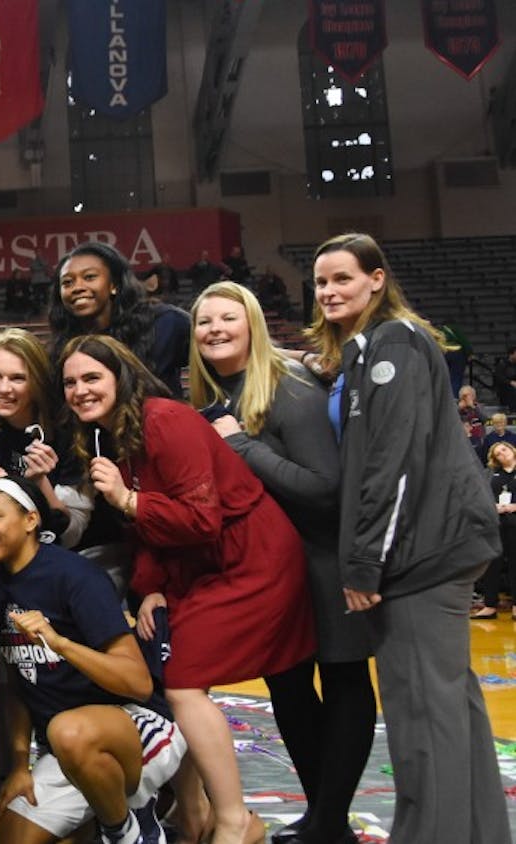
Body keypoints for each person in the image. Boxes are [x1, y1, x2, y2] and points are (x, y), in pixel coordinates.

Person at [59, 335, 316, 844]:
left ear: (121, 375)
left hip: (251, 559)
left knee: (183, 681)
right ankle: (200, 813)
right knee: (174, 672)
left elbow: (201, 518)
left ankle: (235, 821)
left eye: (92, 378)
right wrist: (152, 587)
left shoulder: (164, 419)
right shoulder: (115, 435)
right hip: (198, 566)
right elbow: (155, 527)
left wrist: (127, 499)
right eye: (70, 382)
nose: (80, 390)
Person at [305, 232, 507, 844]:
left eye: (342, 278)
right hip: (436, 544)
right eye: (320, 282)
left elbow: (391, 463)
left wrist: (363, 563)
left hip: (418, 552)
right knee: (452, 711)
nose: (328, 291)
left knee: (421, 714)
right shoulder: (378, 345)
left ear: (376, 279)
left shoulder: (391, 342)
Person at [190, 282, 374, 844]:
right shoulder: (217, 393)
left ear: (253, 324)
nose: (215, 328)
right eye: (204, 321)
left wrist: (241, 446)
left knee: (342, 679)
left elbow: (324, 487)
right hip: (271, 567)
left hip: (323, 556)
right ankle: (324, 817)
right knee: (288, 687)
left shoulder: (288, 386)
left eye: (228, 317)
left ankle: (329, 819)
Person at [0, 477, 183, 844]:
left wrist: (60, 643)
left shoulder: (75, 575)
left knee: (67, 731)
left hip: (136, 728)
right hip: (65, 752)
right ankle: (101, 820)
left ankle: (128, 831)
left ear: (30, 520)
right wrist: (20, 765)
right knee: (4, 839)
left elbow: (138, 682)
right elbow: (18, 684)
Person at [0, 329, 90, 547]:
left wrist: (38, 482)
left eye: (18, 378)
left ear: (37, 382)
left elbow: (72, 535)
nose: (3, 389)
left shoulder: (68, 430)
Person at [48, 242, 190, 396]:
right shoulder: (61, 348)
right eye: (67, 282)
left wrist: (214, 412)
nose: (77, 287)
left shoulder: (165, 323)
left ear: (114, 284)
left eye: (89, 277)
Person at [473, 441, 516, 619]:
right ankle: (490, 605)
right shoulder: (491, 474)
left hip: (515, 522)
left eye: (504, 450)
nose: (502, 454)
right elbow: (481, 496)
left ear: (512, 450)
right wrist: (493, 507)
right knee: (492, 564)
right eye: (498, 453)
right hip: (496, 523)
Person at [459, 385, 486, 454]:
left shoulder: (479, 406)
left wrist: (473, 407)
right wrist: (459, 409)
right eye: (464, 396)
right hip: (462, 438)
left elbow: (484, 420)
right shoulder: (457, 407)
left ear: (473, 396)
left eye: (468, 395)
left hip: (478, 438)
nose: (466, 398)